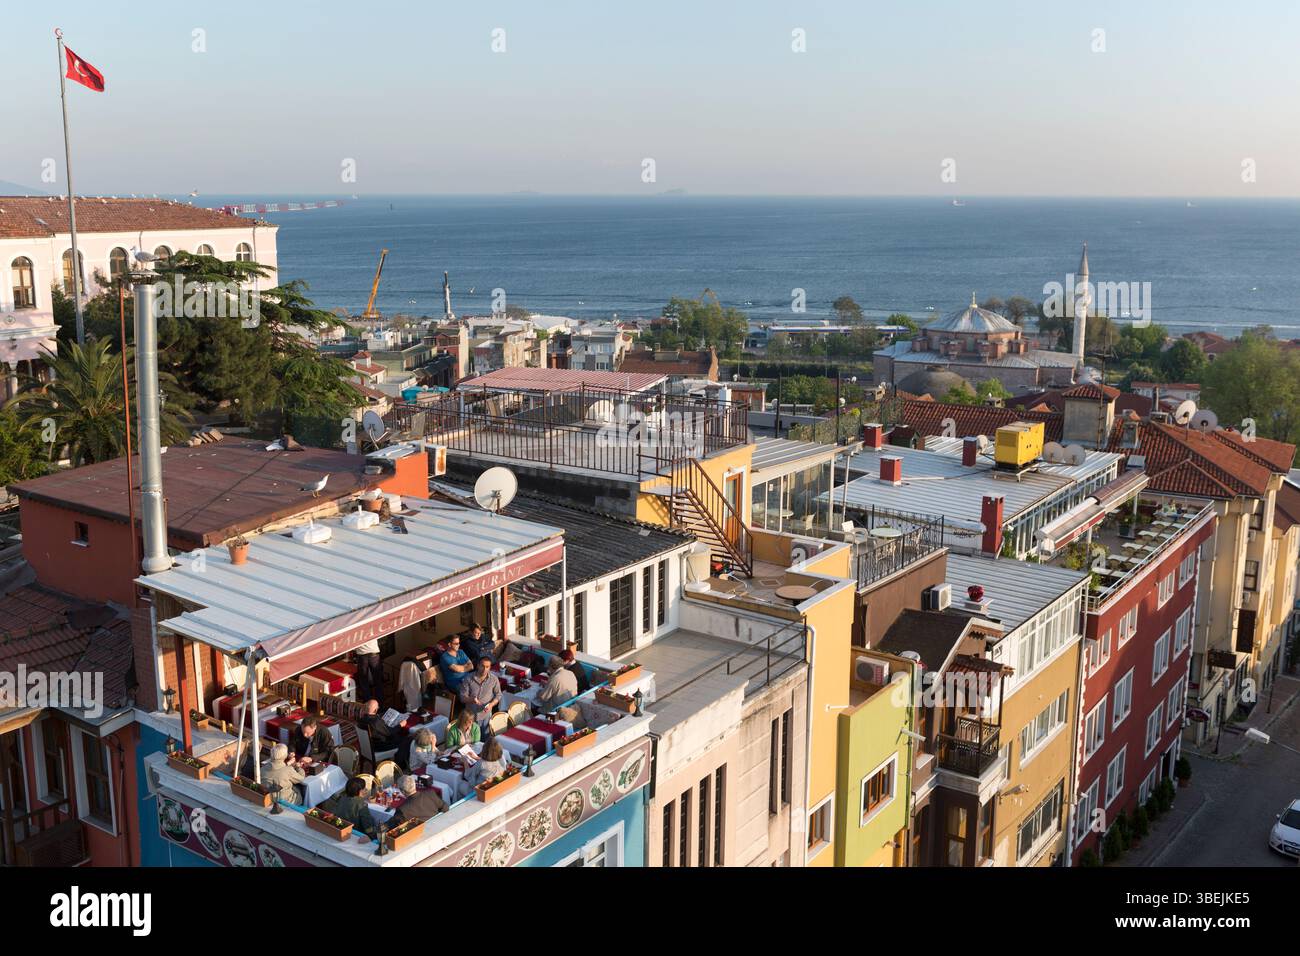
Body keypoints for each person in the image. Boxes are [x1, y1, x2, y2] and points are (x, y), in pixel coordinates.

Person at [458, 656, 502, 729]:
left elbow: (498, 694)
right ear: (478, 665)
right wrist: (471, 699)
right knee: (471, 739)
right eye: (482, 666)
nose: (485, 669)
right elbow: (462, 698)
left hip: (486, 715)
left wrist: (491, 704)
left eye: (487, 667)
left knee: (485, 738)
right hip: (470, 716)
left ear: (490, 667)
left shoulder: (494, 679)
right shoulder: (468, 678)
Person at [354, 639, 384, 703]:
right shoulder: (370, 629)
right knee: (378, 681)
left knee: (364, 681)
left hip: (362, 655)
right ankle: (380, 704)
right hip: (374, 654)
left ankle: (368, 704)